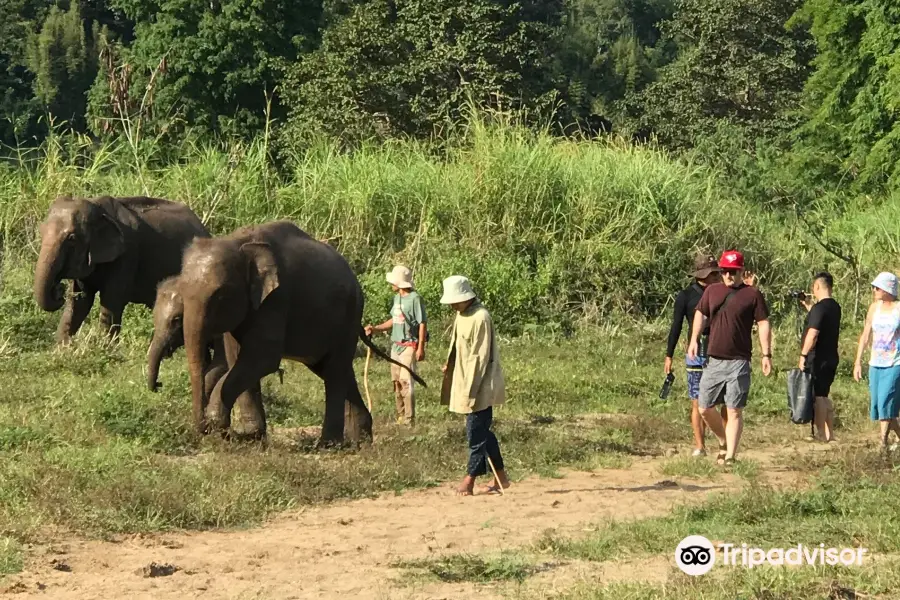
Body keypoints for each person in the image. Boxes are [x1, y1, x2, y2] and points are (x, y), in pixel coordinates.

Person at [687, 250, 773, 466]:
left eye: (733, 272)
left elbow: (763, 323)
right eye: (725, 271)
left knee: (734, 409)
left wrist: (766, 353)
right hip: (714, 359)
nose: (728, 276)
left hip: (739, 360)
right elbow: (701, 313)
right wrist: (694, 339)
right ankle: (724, 441)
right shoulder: (712, 291)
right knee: (704, 407)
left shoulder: (752, 294)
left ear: (742, 271)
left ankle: (731, 457)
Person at [439, 275, 510, 496]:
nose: (451, 305)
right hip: (464, 381)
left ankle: (469, 479)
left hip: (480, 384)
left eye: (454, 301)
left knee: (475, 433)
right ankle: (502, 478)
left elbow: (479, 358)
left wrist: (470, 391)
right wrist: (449, 366)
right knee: (482, 431)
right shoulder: (462, 315)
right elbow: (459, 347)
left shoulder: (481, 317)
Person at [664, 254, 727, 457]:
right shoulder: (686, 296)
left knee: (723, 400)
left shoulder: (723, 292)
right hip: (696, 352)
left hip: (720, 351)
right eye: (714, 274)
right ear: (704, 275)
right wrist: (669, 355)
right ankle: (700, 446)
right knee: (697, 401)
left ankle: (724, 443)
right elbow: (676, 326)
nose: (718, 277)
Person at [364, 265, 427, 426]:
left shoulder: (415, 299)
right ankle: (400, 416)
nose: (391, 284)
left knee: (406, 382)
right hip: (396, 345)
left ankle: (409, 419)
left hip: (409, 345)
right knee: (396, 382)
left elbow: (422, 323)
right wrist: (375, 329)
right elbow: (394, 320)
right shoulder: (397, 298)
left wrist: (420, 347)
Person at [853, 272, 900, 450]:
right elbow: (866, 335)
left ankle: (882, 443)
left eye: (877, 287)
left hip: (895, 363)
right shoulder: (874, 308)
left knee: (885, 403)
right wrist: (858, 361)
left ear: (888, 289)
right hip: (876, 363)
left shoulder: (898, 309)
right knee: (880, 407)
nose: (874, 290)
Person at [798, 272, 841, 443]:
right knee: (824, 394)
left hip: (817, 358)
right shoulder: (834, 307)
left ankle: (821, 433)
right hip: (831, 357)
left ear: (816, 286)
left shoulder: (819, 308)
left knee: (819, 397)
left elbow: (813, 333)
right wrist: (809, 306)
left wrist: (803, 355)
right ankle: (830, 434)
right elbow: (821, 319)